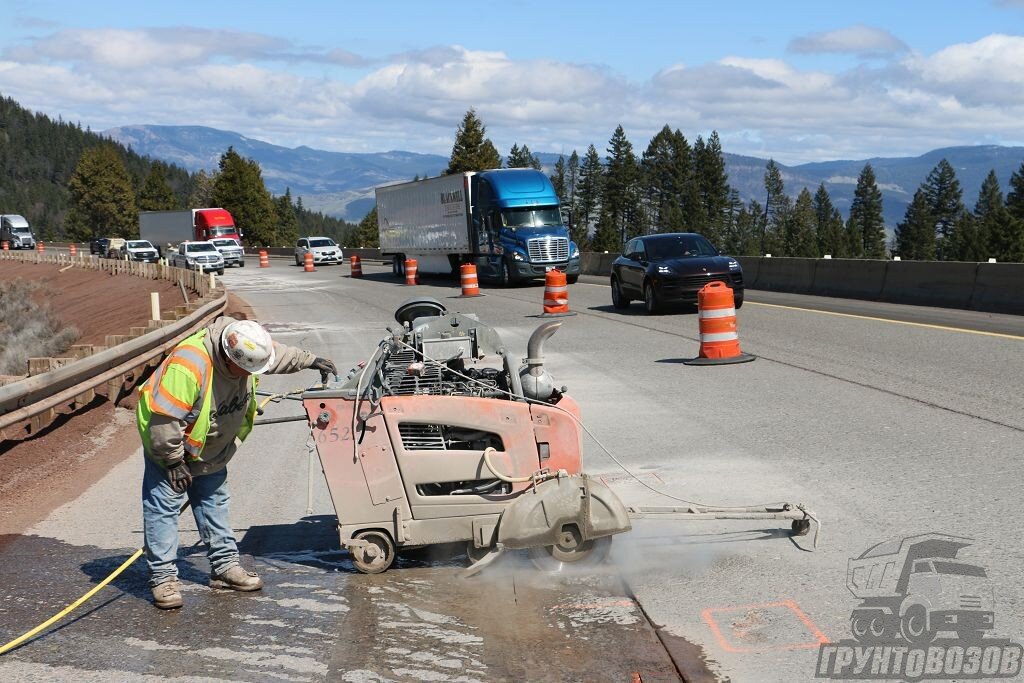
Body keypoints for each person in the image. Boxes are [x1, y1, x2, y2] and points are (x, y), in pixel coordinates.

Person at [136, 316, 336, 609]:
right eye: (245, 370)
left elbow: (274, 355)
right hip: (170, 448)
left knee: (214, 503)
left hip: (212, 449)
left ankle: (225, 568)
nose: (250, 375)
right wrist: (173, 461)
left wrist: (310, 360)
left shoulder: (246, 345)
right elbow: (165, 420)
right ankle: (163, 578)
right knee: (163, 510)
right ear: (230, 360)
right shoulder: (188, 365)